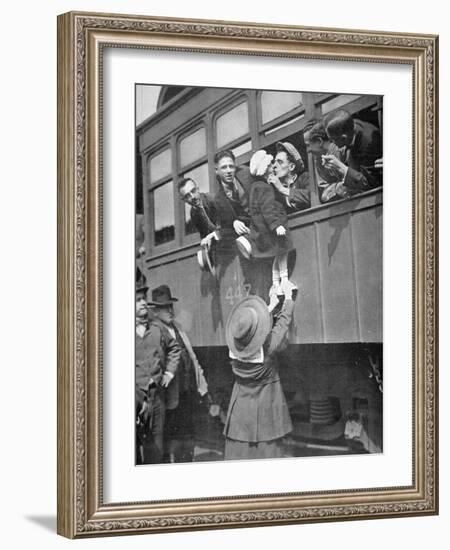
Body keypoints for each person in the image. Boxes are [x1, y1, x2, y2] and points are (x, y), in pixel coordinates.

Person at [223, 284, 297, 460]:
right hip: (267, 416)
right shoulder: (269, 350)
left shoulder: (236, 353)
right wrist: (288, 299)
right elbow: (282, 324)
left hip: (240, 418)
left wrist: (270, 307)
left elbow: (255, 332)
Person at [149, 284, 209, 463]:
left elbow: (192, 356)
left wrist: (202, 384)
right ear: (156, 310)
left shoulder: (178, 328)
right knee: (169, 442)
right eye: (164, 307)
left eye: (170, 306)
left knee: (187, 439)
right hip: (168, 399)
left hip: (186, 394)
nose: (169, 310)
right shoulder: (154, 331)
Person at [235, 149, 296, 312]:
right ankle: (283, 281)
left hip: (262, 231)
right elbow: (267, 209)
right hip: (271, 231)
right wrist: (277, 226)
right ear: (264, 168)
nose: (273, 166)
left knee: (277, 257)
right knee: (283, 251)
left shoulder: (255, 186)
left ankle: (275, 287)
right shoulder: (265, 188)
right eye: (270, 164)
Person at [135, 279, 181, 464]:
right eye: (138, 300)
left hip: (157, 398)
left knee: (156, 444)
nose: (144, 302)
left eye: (144, 298)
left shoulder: (157, 327)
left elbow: (174, 348)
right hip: (134, 399)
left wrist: (169, 372)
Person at [323, 109, 383, 196]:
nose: (332, 143)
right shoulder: (350, 127)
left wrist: (341, 167)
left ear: (343, 138)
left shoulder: (368, 143)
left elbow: (371, 183)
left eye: (332, 139)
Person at [177, 177, 220, 274]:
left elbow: (228, 225)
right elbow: (204, 234)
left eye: (193, 191)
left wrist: (212, 236)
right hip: (219, 251)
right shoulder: (194, 213)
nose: (192, 197)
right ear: (184, 200)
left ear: (198, 189)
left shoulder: (213, 200)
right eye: (187, 196)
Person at [213, 149, 252, 238]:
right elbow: (225, 225)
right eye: (224, 167)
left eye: (231, 166)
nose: (229, 171)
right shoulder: (218, 200)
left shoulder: (247, 174)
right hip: (248, 234)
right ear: (216, 170)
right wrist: (234, 222)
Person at [268, 141, 310, 213]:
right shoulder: (274, 187)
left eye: (280, 162)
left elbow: (311, 196)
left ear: (291, 166)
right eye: (274, 162)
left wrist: (282, 189)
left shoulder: (304, 177)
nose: (274, 165)